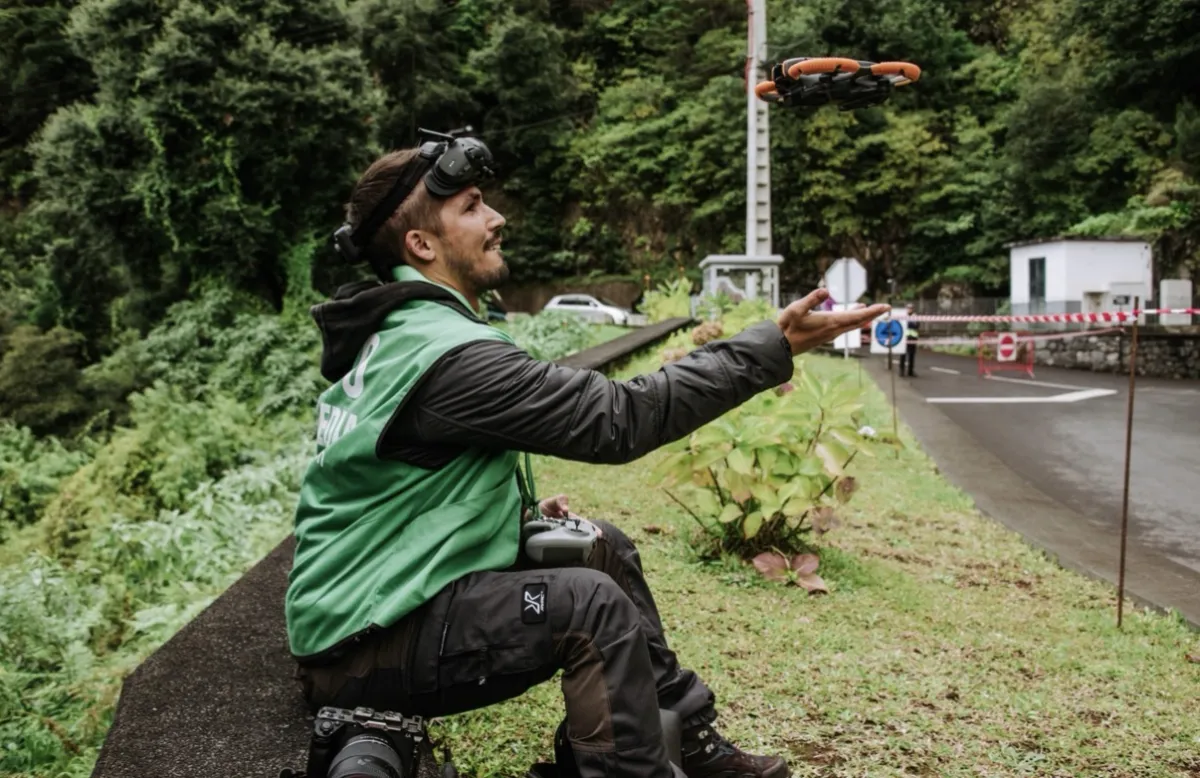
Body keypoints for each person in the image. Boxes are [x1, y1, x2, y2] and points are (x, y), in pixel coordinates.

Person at [285, 136, 889, 778]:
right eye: (472, 206)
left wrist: (508, 516)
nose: (496, 219)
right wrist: (771, 346)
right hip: (363, 645)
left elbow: (398, 483)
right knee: (588, 604)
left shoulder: (405, 333)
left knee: (600, 546)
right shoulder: (449, 356)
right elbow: (620, 419)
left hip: (381, 604)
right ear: (421, 245)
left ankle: (687, 737)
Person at [898, 303, 919, 377]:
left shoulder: (915, 316)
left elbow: (916, 325)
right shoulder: (903, 316)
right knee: (902, 355)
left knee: (911, 355)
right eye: (908, 308)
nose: (909, 309)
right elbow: (901, 326)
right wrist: (910, 323)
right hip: (904, 338)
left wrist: (908, 323)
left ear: (913, 309)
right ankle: (901, 371)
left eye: (911, 308)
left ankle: (910, 371)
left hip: (912, 338)